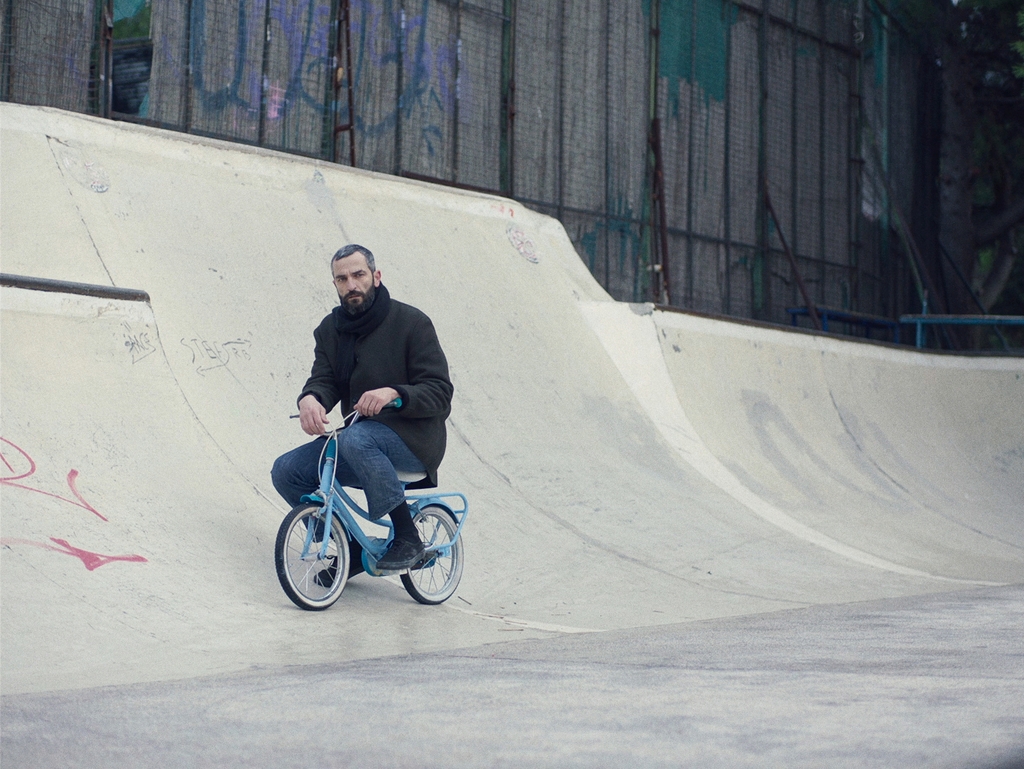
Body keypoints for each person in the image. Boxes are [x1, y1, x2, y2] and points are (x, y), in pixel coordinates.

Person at [271, 244, 454, 571]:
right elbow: (324, 379)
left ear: (376, 276)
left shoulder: (412, 323)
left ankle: (407, 536)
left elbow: (439, 392)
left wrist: (393, 393)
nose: (351, 284)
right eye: (342, 279)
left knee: (355, 439)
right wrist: (310, 398)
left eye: (358, 275)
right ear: (335, 285)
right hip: (361, 443)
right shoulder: (331, 330)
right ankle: (351, 548)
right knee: (287, 470)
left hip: (413, 442)